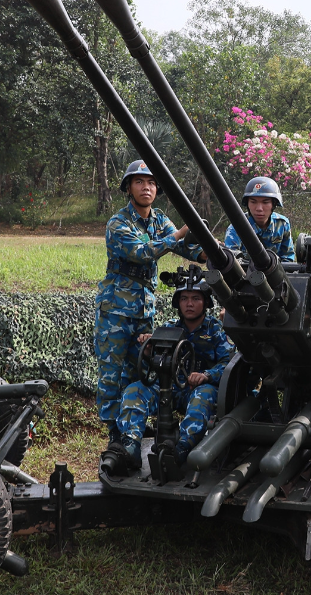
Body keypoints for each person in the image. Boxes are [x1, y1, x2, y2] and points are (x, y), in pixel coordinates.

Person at [95, 160, 203, 447]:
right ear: (129, 188)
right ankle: (115, 434)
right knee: (112, 374)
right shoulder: (119, 223)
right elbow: (142, 252)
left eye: (152, 182)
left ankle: (133, 425)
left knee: (141, 370)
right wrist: (178, 234)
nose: (147, 187)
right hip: (116, 311)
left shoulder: (158, 220)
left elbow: (184, 247)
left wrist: (211, 254)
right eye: (140, 182)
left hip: (144, 311)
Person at [111, 272, 235, 469]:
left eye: (195, 299)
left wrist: (206, 376)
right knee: (135, 391)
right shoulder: (169, 328)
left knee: (203, 396)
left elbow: (228, 364)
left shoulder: (215, 330)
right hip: (168, 387)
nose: (189, 304)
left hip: (199, 390)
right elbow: (153, 366)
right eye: (184, 299)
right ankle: (131, 444)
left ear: (205, 303)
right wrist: (149, 351)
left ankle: (182, 448)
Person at [224, 176, 296, 264]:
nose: (259, 208)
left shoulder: (282, 224)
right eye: (253, 202)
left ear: (274, 204)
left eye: (265, 202)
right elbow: (232, 262)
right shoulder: (237, 227)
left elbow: (287, 259)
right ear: (247, 204)